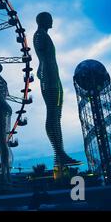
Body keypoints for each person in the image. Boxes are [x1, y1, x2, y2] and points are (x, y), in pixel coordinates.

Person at [33, 12, 80, 167]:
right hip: (49, 78)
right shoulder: (39, 35)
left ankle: (60, 156)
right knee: (52, 113)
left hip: (53, 77)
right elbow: (43, 58)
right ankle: (59, 152)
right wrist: (46, 75)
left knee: (56, 115)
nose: (52, 21)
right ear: (43, 20)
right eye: (49, 19)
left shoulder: (43, 35)